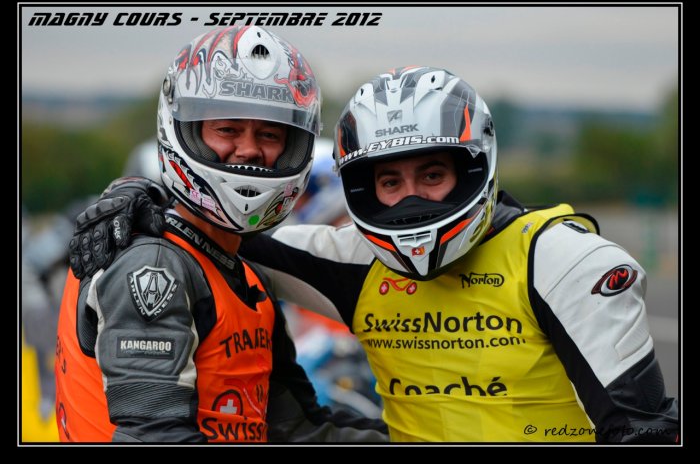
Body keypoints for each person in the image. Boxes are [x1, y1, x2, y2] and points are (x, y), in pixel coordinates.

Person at [68, 66, 678, 443]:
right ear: (363, 189)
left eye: (432, 174)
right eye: (390, 182)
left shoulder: (562, 260)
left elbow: (644, 430)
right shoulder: (352, 260)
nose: (409, 198)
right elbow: (218, 227)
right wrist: (140, 193)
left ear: (473, 168)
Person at [54, 26, 387, 443]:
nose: (248, 149)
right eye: (228, 129)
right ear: (185, 130)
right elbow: (152, 436)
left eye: (269, 134)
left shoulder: (246, 273)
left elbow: (298, 430)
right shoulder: (155, 265)